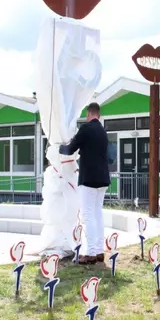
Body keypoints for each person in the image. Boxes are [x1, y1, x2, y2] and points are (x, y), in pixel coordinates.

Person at [59, 102, 110, 265]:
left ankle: (91, 253)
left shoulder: (86, 129)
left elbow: (70, 149)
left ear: (88, 114)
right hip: (103, 178)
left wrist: (57, 147)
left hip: (89, 178)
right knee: (97, 214)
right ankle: (99, 250)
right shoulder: (103, 131)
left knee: (88, 215)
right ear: (98, 115)